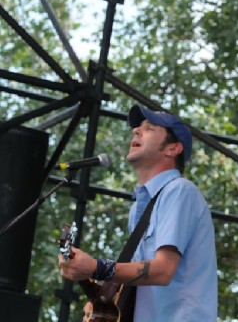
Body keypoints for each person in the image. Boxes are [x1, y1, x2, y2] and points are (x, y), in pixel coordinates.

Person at [58, 105, 218, 321]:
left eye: (149, 128)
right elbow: (137, 274)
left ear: (173, 149)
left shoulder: (180, 190)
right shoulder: (139, 209)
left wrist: (96, 267)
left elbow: (163, 270)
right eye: (137, 128)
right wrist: (104, 295)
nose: (136, 131)